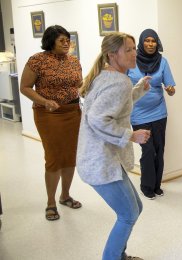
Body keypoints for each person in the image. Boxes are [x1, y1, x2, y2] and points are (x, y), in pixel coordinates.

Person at [77, 32, 151, 260]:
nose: (134, 53)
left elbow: (115, 104)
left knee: (135, 207)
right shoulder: (118, 81)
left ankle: (119, 255)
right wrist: (131, 136)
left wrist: (138, 89)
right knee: (128, 214)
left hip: (102, 159)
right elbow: (98, 119)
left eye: (133, 48)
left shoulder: (105, 75)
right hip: (100, 161)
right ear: (112, 54)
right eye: (128, 49)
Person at [20, 25, 82, 221]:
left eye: (68, 40)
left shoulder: (74, 60)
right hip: (49, 114)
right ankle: (50, 202)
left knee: (70, 156)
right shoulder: (37, 60)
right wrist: (44, 101)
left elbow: (79, 83)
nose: (66, 43)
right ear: (50, 41)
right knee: (54, 157)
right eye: (61, 40)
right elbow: (25, 87)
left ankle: (65, 196)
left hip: (73, 112)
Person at [127, 29, 176, 199]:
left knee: (159, 149)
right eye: (147, 40)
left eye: (153, 41)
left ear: (157, 43)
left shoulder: (162, 62)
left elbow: (171, 89)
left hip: (159, 112)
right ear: (141, 43)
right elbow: (122, 85)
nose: (150, 44)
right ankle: (146, 186)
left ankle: (156, 185)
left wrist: (170, 90)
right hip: (138, 113)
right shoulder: (131, 62)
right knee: (148, 151)